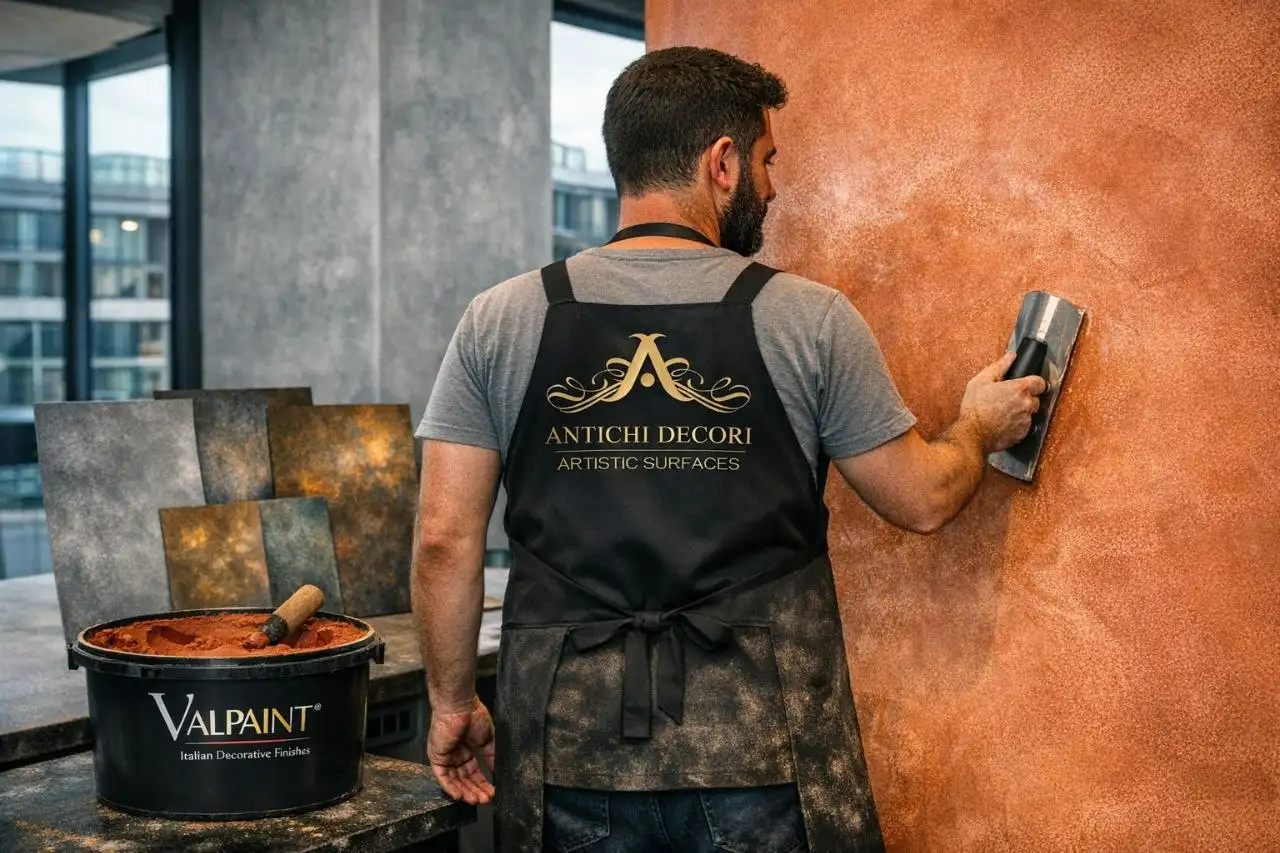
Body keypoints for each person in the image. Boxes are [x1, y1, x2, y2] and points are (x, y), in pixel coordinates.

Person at [410, 45, 1045, 853]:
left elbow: (443, 539)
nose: (772, 186)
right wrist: (981, 427)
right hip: (766, 755)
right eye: (767, 160)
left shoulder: (500, 318)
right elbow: (920, 498)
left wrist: (452, 702)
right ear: (721, 163)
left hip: (570, 752)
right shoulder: (808, 320)